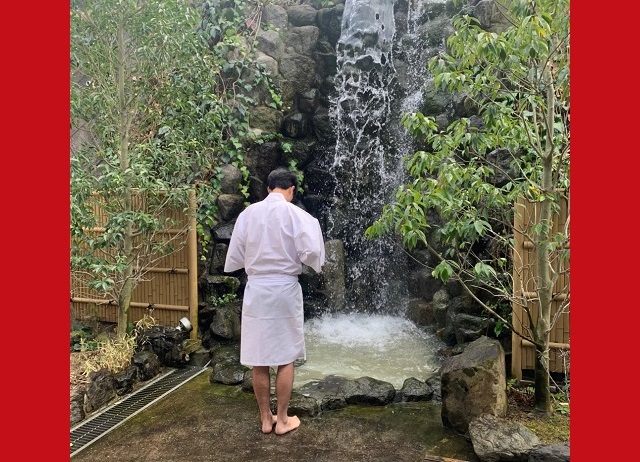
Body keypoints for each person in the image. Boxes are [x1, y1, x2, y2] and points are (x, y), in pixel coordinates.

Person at [224, 167, 325, 435]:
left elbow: (235, 256)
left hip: (257, 289)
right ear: (291, 190)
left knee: (259, 358)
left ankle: (265, 419)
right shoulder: (298, 215)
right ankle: (282, 419)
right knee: (285, 356)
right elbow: (312, 255)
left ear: (268, 189)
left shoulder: (248, 214)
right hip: (284, 289)